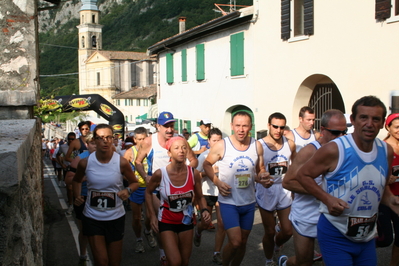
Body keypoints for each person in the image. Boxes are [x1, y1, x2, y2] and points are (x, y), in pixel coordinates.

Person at [287, 96, 399, 266]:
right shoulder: (334, 149)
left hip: (366, 235)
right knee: (305, 260)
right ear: (353, 120)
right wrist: (326, 198)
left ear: (382, 122)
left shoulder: (386, 151)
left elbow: (381, 188)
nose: (369, 123)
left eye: (375, 119)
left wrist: (392, 201)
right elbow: (303, 175)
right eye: (363, 117)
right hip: (335, 232)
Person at [281, 109, 347, 266]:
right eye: (335, 133)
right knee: (304, 262)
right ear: (323, 130)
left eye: (343, 132)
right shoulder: (309, 151)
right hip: (307, 214)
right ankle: (286, 264)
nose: (340, 137)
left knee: (332, 260)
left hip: (333, 215)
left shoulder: (345, 150)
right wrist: (322, 193)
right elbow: (288, 182)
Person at [203, 111, 269, 266]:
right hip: (228, 202)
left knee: (244, 241)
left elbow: (260, 169)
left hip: (248, 202)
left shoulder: (256, 145)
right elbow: (206, 164)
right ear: (232, 126)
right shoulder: (222, 145)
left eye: (245, 126)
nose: (241, 129)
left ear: (250, 127)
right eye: (237, 125)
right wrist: (217, 182)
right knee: (235, 241)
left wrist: (263, 177)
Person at [135, 111, 198, 265]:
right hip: (157, 187)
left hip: (178, 185)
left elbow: (193, 160)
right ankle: (163, 250)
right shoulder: (149, 142)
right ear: (158, 126)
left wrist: (187, 169)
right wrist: (145, 176)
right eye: (166, 126)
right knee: (155, 218)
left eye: (171, 126)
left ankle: (169, 250)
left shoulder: (181, 142)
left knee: (170, 217)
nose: (169, 129)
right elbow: (138, 161)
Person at [73, 124, 138, 266]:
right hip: (92, 217)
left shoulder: (121, 162)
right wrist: (77, 196)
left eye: (109, 137)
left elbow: (135, 182)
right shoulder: (85, 163)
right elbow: (76, 180)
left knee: (114, 262)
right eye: (101, 138)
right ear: (94, 141)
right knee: (102, 261)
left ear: (113, 139)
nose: (105, 141)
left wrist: (128, 191)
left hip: (115, 217)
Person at [145, 136, 211, 266]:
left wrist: (204, 210)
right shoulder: (160, 174)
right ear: (169, 153)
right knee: (175, 261)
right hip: (166, 220)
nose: (181, 151)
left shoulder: (194, 173)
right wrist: (152, 215)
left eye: (184, 148)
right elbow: (148, 192)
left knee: (184, 261)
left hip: (186, 220)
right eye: (176, 148)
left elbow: (200, 196)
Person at [255, 112, 296, 265]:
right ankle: (269, 260)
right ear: (268, 126)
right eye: (275, 126)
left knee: (288, 230)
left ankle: (277, 244)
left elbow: (295, 165)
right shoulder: (259, 144)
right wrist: (261, 175)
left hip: (284, 189)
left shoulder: (290, 143)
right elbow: (256, 168)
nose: (278, 130)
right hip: (266, 189)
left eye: (281, 127)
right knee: (269, 231)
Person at [193, 127, 226, 265]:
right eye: (214, 140)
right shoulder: (204, 155)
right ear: (209, 141)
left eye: (219, 140)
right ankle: (198, 231)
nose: (217, 143)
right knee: (206, 223)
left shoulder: (225, 154)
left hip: (221, 192)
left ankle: (216, 253)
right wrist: (210, 173)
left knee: (221, 223)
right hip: (206, 192)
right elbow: (197, 175)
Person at [123, 127, 156, 253]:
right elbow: (122, 169)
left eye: (144, 138)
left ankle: (148, 232)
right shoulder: (130, 152)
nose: (142, 141)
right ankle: (138, 240)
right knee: (136, 218)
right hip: (137, 188)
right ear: (135, 140)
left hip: (150, 187)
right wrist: (130, 179)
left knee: (150, 216)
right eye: (139, 139)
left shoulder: (152, 148)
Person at [66, 132, 96, 266]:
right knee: (84, 230)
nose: (96, 146)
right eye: (93, 143)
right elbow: (68, 179)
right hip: (83, 198)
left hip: (101, 199)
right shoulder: (80, 159)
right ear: (87, 145)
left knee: (99, 230)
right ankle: (83, 255)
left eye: (98, 143)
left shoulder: (111, 158)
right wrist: (84, 178)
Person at [376, 113, 399, 266]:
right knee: (385, 239)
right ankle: (357, 248)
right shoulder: (382, 147)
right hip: (384, 198)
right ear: (388, 128)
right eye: (397, 127)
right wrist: (385, 179)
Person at [56, 132, 76, 213]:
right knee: (69, 188)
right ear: (67, 139)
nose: (71, 140)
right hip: (67, 169)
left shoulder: (78, 147)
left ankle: (76, 203)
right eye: (69, 139)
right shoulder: (63, 146)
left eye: (72, 139)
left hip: (78, 169)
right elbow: (58, 155)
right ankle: (71, 204)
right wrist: (61, 164)